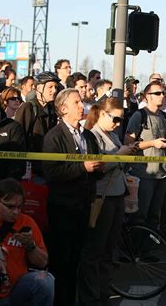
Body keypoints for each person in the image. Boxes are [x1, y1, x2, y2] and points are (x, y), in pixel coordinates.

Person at [42, 88, 104, 306]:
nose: (82, 106)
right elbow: (51, 172)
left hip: (84, 205)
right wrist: (83, 168)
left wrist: (98, 167)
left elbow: (94, 168)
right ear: (63, 108)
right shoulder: (54, 136)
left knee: (77, 260)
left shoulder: (87, 135)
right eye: (76, 102)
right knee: (62, 261)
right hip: (63, 208)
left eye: (81, 102)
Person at [78, 98, 137, 305]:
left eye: (121, 120)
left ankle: (103, 291)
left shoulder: (112, 134)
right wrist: (119, 155)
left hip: (116, 195)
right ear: (102, 114)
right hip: (101, 198)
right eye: (115, 119)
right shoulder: (91, 135)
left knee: (108, 250)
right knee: (95, 249)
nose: (118, 124)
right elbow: (98, 167)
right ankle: (91, 295)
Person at [0, 178, 54, 306]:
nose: (16, 212)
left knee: (46, 281)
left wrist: (31, 246)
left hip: (15, 290)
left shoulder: (26, 223)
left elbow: (42, 263)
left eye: (20, 207)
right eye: (10, 206)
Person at [124, 81, 166, 229]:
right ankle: (135, 248)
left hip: (162, 173)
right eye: (157, 93)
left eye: (163, 93)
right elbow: (128, 144)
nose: (161, 96)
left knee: (154, 216)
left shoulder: (163, 116)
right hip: (144, 174)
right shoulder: (139, 115)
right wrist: (152, 143)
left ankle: (148, 248)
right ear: (147, 96)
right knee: (140, 216)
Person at [15, 71, 60, 176]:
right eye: (50, 87)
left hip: (48, 166)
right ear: (39, 88)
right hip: (31, 168)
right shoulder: (28, 107)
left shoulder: (52, 109)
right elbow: (18, 138)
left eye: (56, 87)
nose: (54, 90)